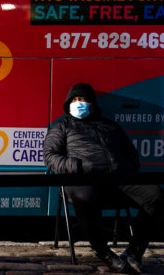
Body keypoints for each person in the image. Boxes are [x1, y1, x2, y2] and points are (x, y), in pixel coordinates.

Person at [44, 83, 163, 274]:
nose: (78, 103)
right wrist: (78, 166)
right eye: (74, 100)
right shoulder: (62, 127)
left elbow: (131, 152)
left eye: (82, 99)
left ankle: (135, 251)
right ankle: (104, 252)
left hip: (119, 180)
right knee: (84, 196)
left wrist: (129, 168)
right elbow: (50, 156)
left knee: (155, 194)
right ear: (68, 104)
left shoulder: (110, 125)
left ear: (91, 103)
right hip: (83, 180)